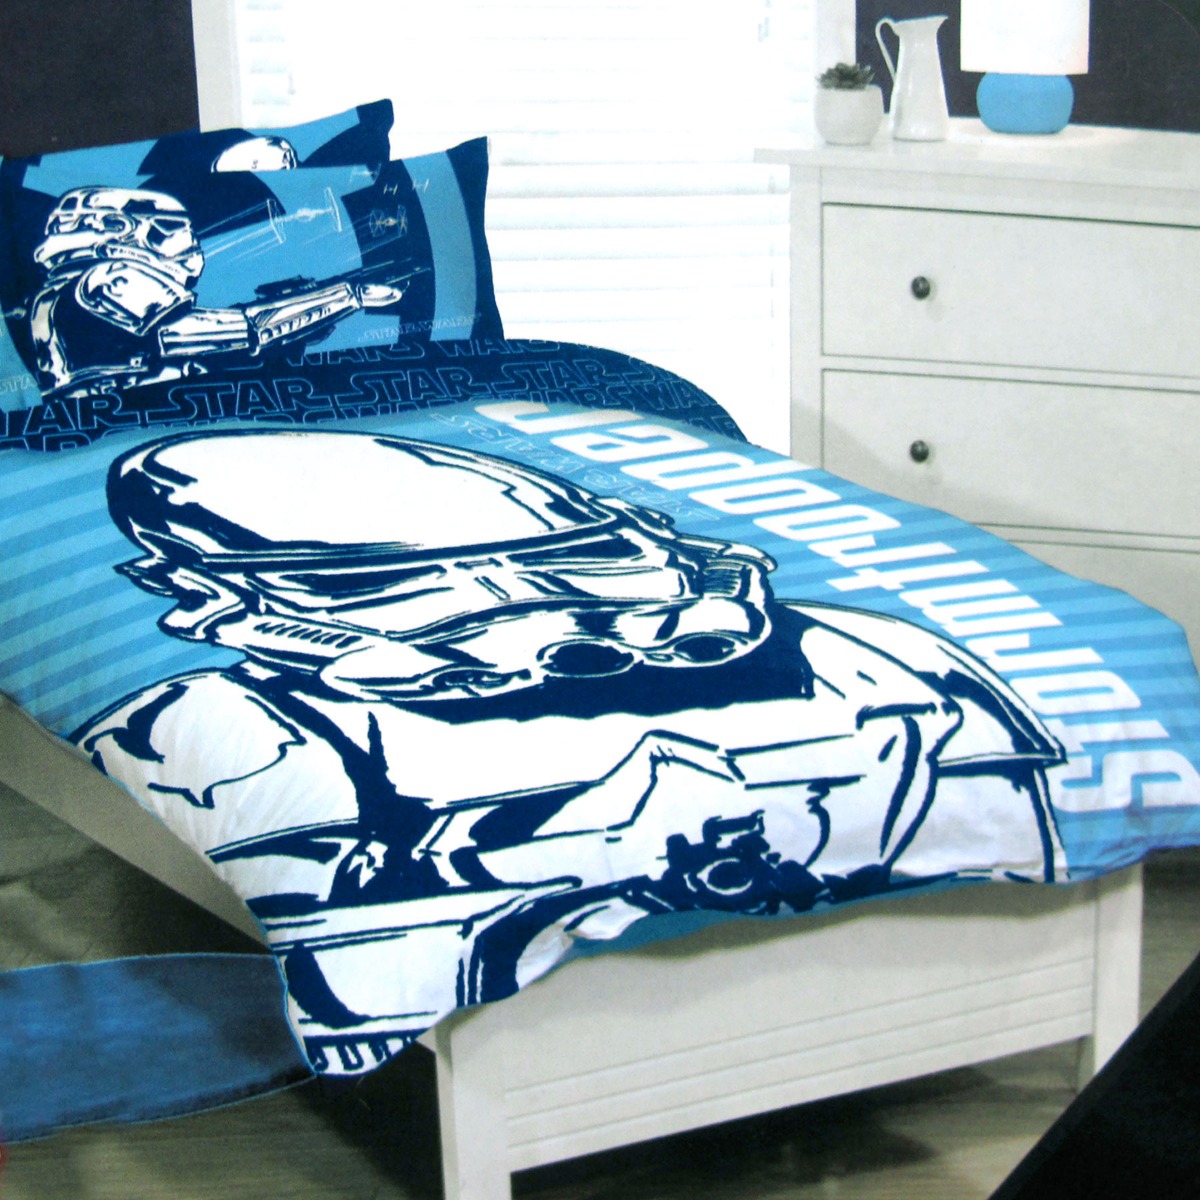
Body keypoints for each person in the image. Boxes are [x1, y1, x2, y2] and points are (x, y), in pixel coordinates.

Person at [76, 428, 1065, 1074]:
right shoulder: (256, 740)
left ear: (648, 541)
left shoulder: (871, 661)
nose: (528, 608)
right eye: (387, 585)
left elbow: (1008, 799)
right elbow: (364, 970)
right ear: (224, 605)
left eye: (580, 560)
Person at [29, 186, 402, 398]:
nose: (192, 244)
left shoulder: (56, 292)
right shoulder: (109, 276)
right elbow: (240, 331)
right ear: (116, 226)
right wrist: (346, 297)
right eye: (171, 228)